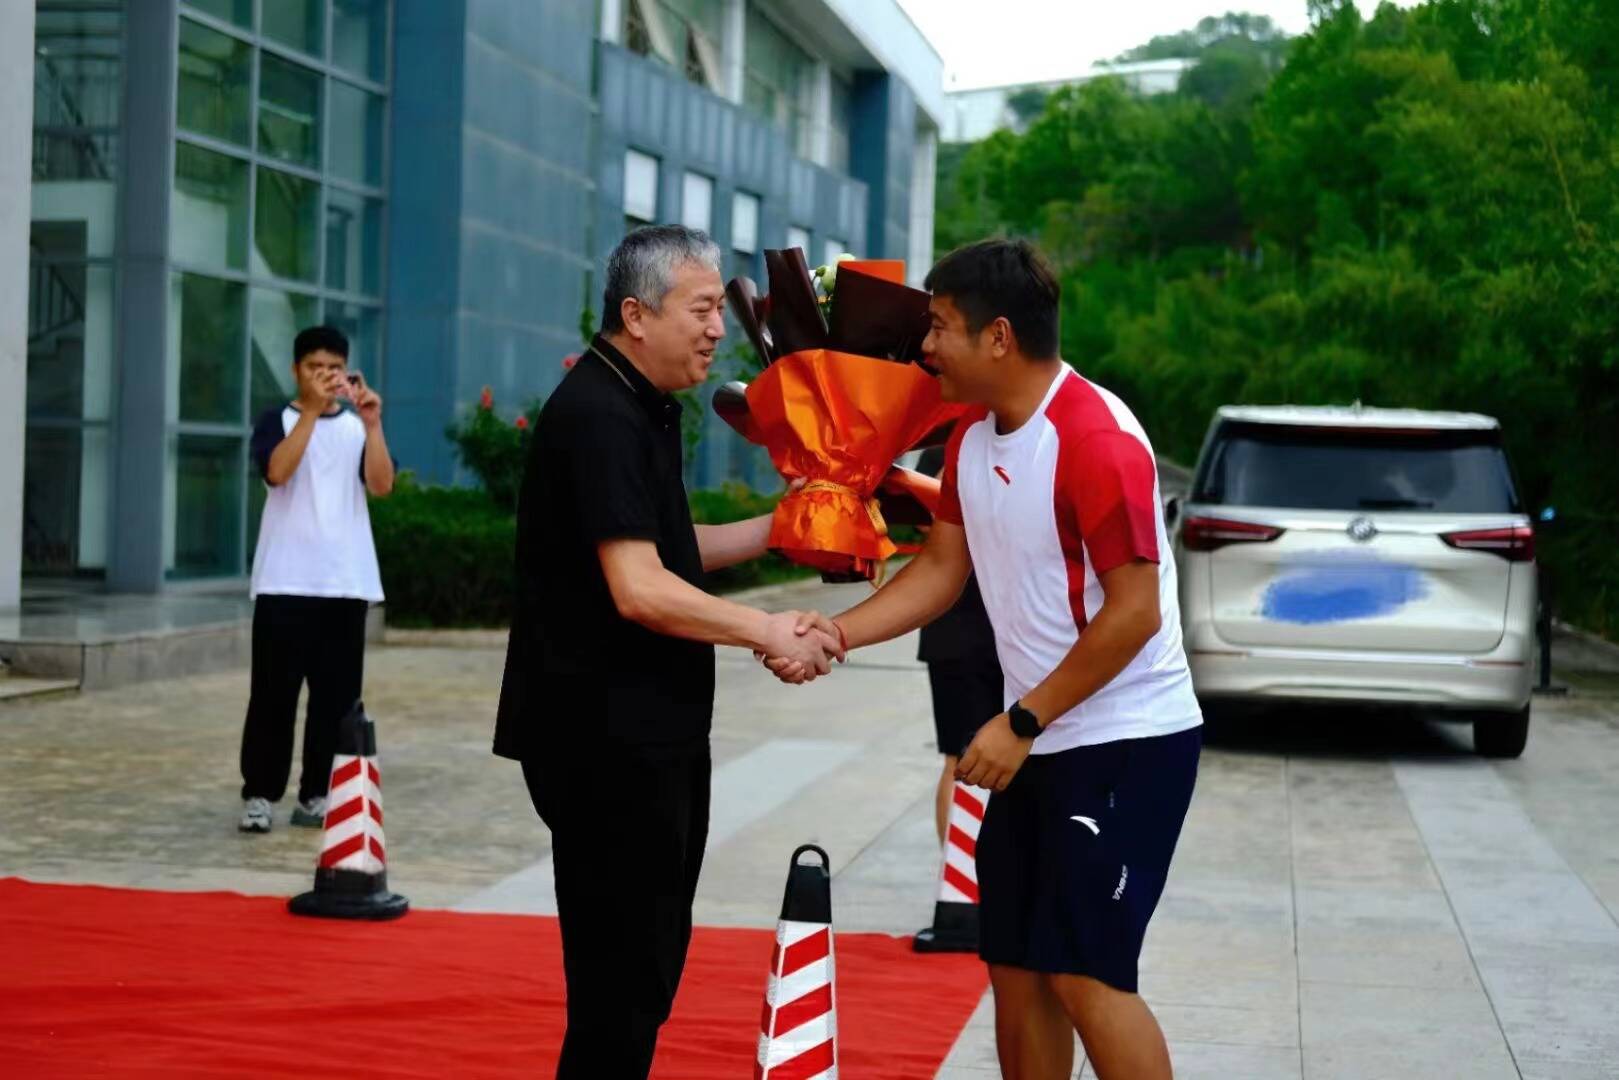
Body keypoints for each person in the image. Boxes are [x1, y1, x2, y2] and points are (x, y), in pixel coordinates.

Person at [768, 239, 1202, 1080]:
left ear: (997, 336)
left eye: (938, 327)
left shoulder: (1096, 440)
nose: (924, 348)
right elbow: (938, 571)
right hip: (1031, 740)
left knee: (1085, 973)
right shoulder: (969, 437)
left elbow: (1136, 613)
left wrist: (1022, 718)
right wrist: (835, 634)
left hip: (1123, 740)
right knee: (1014, 969)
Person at [493, 224, 843, 1079]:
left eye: (717, 309)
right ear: (634, 314)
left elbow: (667, 546)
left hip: (649, 733)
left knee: (642, 972)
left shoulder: (638, 404)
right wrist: (765, 629)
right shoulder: (599, 415)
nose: (717, 329)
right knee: (622, 980)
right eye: (698, 309)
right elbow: (639, 588)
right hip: (605, 743)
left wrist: (788, 527)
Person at [238, 325, 394, 833]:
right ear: (295, 371)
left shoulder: (355, 428)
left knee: (335, 701)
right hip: (284, 582)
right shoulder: (275, 421)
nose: (324, 377)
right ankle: (260, 794)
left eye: (333, 369)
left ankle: (317, 795)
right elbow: (277, 473)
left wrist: (372, 425)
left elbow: (381, 485)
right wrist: (308, 412)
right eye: (313, 368)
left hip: (344, 587)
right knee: (272, 698)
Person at [914, 444, 1002, 845]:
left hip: (1019, 634)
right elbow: (926, 519)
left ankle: (991, 881)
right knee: (961, 759)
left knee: (1021, 763)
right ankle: (959, 886)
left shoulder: (1027, 436)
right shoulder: (947, 448)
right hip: (956, 631)